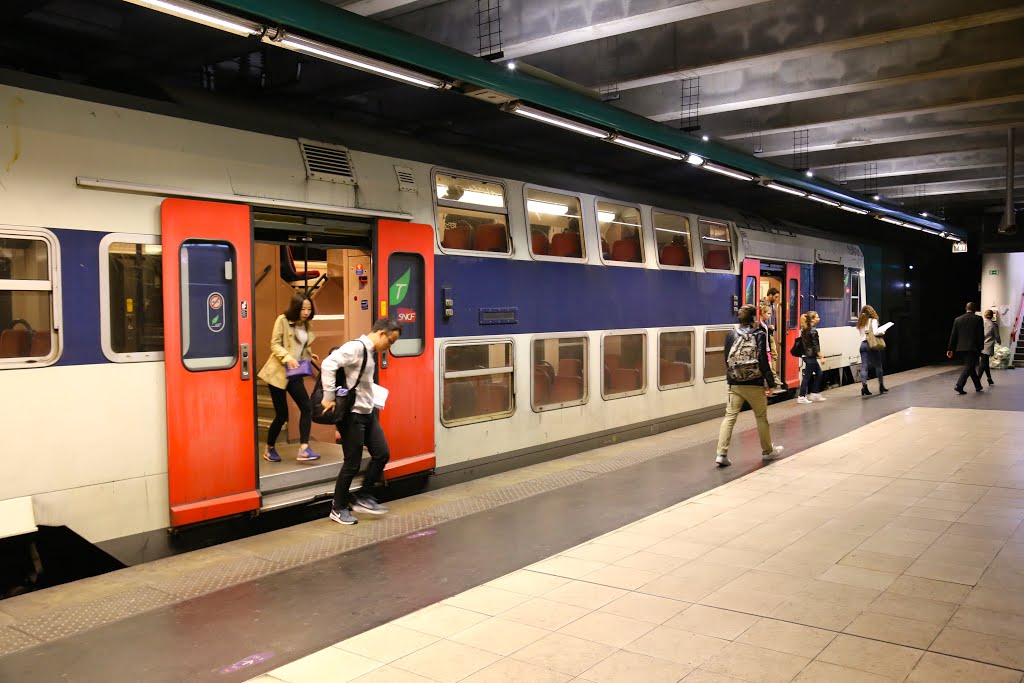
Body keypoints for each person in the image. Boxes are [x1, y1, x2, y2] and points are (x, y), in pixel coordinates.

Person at [320, 318, 403, 525]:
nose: (389, 347)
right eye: (390, 341)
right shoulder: (356, 347)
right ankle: (337, 508)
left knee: (382, 453)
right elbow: (328, 363)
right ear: (382, 333)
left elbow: (362, 382)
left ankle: (364, 497)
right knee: (352, 463)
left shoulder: (370, 352)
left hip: (368, 412)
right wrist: (328, 396)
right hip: (352, 415)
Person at [715, 304, 784, 467]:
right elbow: (763, 361)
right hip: (755, 383)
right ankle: (767, 451)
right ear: (754, 318)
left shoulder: (731, 335)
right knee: (761, 417)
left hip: (734, 384)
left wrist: (734, 377)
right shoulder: (759, 334)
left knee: (730, 417)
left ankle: (721, 453)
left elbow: (727, 359)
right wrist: (771, 383)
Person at [257, 293, 320, 463]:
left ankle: (304, 448)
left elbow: (300, 345)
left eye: (309, 309)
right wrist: (288, 357)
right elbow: (275, 344)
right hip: (278, 373)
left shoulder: (306, 324)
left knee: (306, 407)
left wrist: (308, 355)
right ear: (296, 308)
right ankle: (269, 448)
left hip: (295, 373)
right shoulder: (283, 320)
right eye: (303, 309)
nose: (306, 312)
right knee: (282, 414)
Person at [947, 302, 985, 395]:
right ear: (975, 309)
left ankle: (978, 386)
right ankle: (959, 385)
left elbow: (953, 335)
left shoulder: (957, 320)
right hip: (973, 347)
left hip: (961, 348)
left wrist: (950, 349)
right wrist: (981, 348)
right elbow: (980, 335)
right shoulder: (978, 319)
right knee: (968, 366)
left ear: (965, 308)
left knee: (970, 366)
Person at [857, 305, 888, 396]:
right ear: (871, 312)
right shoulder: (873, 320)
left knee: (864, 367)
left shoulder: (860, 322)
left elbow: (861, 334)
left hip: (863, 345)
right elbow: (875, 332)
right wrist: (883, 331)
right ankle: (881, 386)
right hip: (871, 344)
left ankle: (864, 387)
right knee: (878, 365)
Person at [797, 311, 826, 404]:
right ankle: (801, 396)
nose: (819, 318)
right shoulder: (813, 331)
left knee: (819, 373)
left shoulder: (805, 329)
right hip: (810, 356)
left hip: (806, 355)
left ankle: (815, 393)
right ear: (812, 319)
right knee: (807, 376)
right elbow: (815, 345)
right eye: (817, 317)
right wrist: (821, 357)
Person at [760, 287, 782, 376]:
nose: (777, 299)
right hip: (766, 333)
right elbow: (760, 319)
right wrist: (769, 326)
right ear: (770, 295)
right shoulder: (762, 304)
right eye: (776, 297)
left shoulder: (772, 305)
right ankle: (772, 376)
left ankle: (772, 375)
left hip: (770, 333)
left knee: (773, 355)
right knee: (772, 355)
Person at [977, 309, 1001, 386]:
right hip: (988, 346)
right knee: (983, 363)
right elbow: (997, 335)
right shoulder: (994, 325)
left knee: (985, 362)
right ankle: (977, 381)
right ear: (992, 316)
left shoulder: (981, 323)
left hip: (979, 345)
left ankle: (989, 379)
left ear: (984, 315)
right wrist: (999, 341)